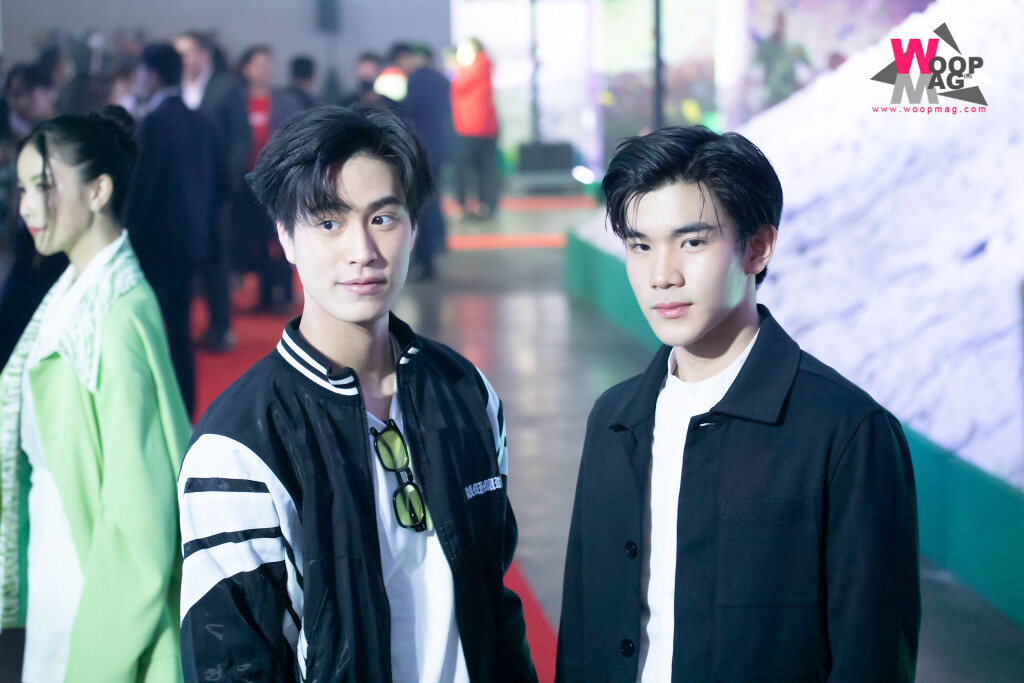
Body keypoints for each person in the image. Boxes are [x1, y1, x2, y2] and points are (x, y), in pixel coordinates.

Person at [178, 105, 536, 682]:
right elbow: (234, 664)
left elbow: (494, 605)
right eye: (329, 223)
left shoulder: (465, 393)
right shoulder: (238, 446)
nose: (362, 251)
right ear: (285, 237)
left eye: (383, 218)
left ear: (414, 228)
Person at [555, 126, 920, 681]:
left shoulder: (847, 432)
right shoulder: (615, 418)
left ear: (758, 247)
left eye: (692, 242)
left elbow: (871, 658)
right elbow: (584, 633)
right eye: (640, 246)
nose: (661, 276)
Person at [0, 107, 190, 680]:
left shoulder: (115, 314)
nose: (26, 206)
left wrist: (105, 651)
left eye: (43, 186)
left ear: (98, 191)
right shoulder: (78, 291)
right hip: (62, 559)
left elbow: (139, 514)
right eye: (22, 188)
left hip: (93, 581)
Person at [127, 43, 224, 418]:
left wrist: (129, 238)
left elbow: (143, 190)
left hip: (154, 245)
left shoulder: (152, 124)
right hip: (193, 246)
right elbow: (222, 185)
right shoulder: (202, 121)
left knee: (147, 335)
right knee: (181, 334)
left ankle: (153, 413)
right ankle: (184, 411)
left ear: (151, 75)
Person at [174, 30, 250, 351]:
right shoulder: (174, 88)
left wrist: (226, 180)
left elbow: (240, 137)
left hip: (215, 189)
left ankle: (220, 327)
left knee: (216, 258)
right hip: (178, 189)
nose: (182, 60)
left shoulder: (225, 87)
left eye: (186, 52)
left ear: (204, 54)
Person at [235, 45, 305, 313]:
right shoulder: (236, 101)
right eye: (259, 64)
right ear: (246, 69)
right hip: (245, 182)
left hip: (277, 180)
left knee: (281, 236)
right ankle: (264, 293)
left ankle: (284, 292)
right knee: (255, 239)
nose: (265, 70)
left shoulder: (286, 101)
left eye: (268, 64)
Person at [389, 43, 454, 280]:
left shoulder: (416, 80)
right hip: (439, 150)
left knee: (422, 207)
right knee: (432, 203)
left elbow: (409, 112)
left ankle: (425, 261)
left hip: (424, 152)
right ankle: (434, 249)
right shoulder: (440, 80)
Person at [450, 38, 500, 221]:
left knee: (463, 170)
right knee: (485, 169)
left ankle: (464, 206)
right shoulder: (485, 66)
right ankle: (485, 206)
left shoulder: (473, 67)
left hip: (469, 127)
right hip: (485, 128)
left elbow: (456, 87)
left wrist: (456, 68)